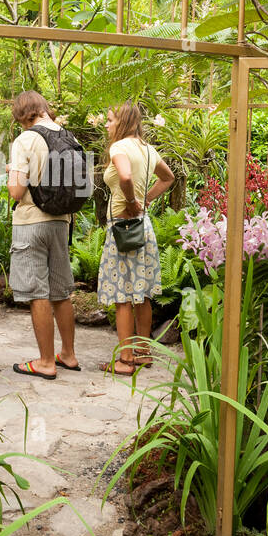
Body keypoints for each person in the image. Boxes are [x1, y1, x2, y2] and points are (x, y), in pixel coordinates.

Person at [6, 91, 80, 379]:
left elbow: (16, 191)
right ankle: (69, 355)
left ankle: (46, 362)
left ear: (22, 114)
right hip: (61, 222)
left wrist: (11, 171)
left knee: (38, 292)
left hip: (31, 224)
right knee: (61, 291)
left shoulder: (25, 139)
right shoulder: (69, 136)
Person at [98, 101, 175, 375]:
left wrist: (132, 200)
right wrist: (144, 202)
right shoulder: (147, 149)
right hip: (143, 227)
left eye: (109, 120)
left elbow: (125, 176)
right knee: (141, 294)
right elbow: (168, 178)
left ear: (122, 122)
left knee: (122, 296)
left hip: (123, 228)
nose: (107, 125)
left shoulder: (118, 147)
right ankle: (143, 354)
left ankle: (125, 360)